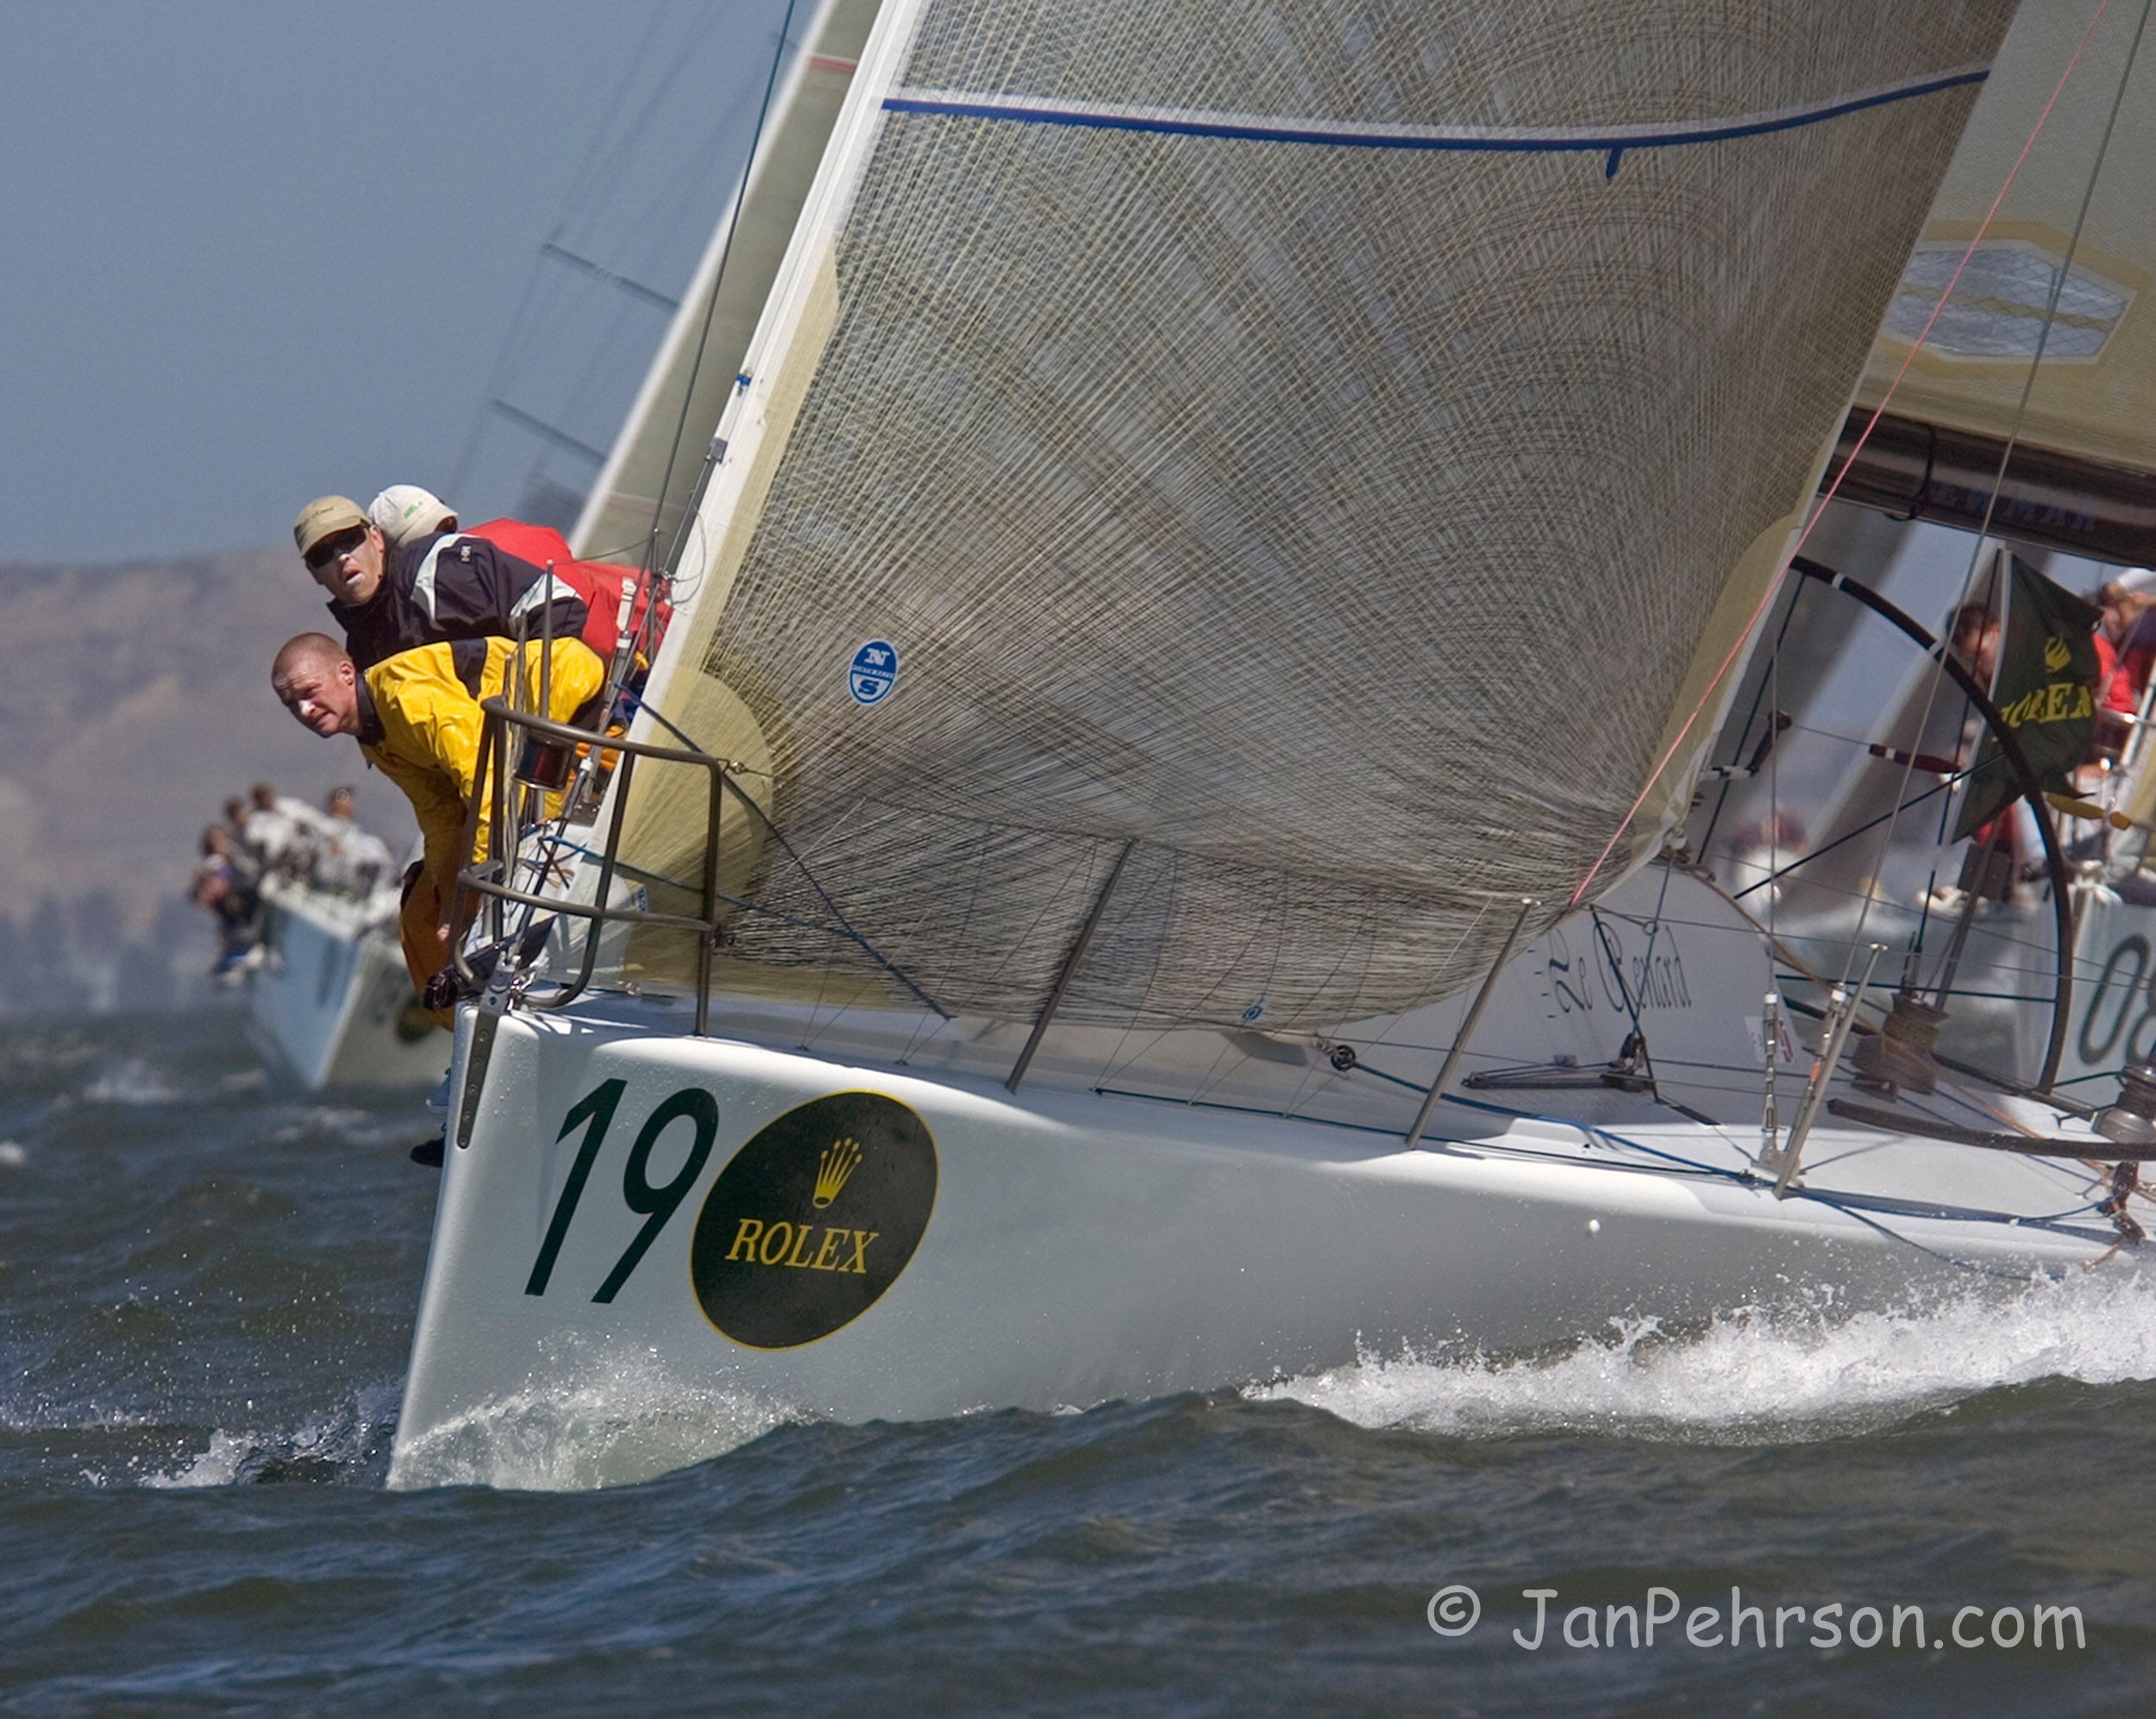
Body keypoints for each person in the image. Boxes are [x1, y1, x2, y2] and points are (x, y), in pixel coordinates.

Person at [269, 631, 606, 1020]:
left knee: (502, 875)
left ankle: (517, 1009)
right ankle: (466, 1026)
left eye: (310, 692)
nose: (305, 710)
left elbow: (491, 782)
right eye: (291, 704)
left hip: (572, 710)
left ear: (346, 673)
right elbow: (441, 817)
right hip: (519, 755)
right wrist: (449, 901)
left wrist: (478, 894)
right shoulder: (374, 736)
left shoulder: (404, 700)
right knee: (421, 914)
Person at [292, 494, 588, 672]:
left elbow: (560, 609)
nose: (342, 556)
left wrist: (526, 713)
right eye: (322, 555)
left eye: (348, 540)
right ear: (313, 573)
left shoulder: (437, 572)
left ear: (376, 539)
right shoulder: (362, 654)